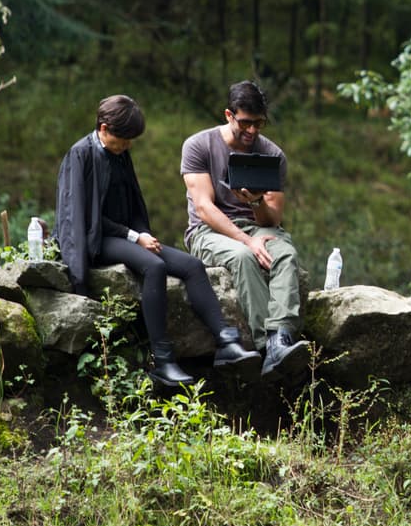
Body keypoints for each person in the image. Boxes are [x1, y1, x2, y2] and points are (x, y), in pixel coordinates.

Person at [55, 94, 261, 389]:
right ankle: (163, 362)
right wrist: (134, 236)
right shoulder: (80, 155)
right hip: (97, 239)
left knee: (191, 266)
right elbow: (85, 217)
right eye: (123, 139)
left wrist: (144, 234)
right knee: (154, 267)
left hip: (128, 235)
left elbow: (133, 206)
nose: (127, 145)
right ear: (103, 128)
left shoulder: (118, 153)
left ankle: (227, 342)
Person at [181, 81, 310, 382]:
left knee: (285, 254)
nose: (252, 131)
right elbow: (204, 208)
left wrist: (255, 202)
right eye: (245, 123)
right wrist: (247, 241)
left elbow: (273, 218)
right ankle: (266, 346)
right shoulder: (199, 146)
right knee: (243, 257)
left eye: (259, 124)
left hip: (258, 226)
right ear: (229, 115)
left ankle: (280, 338)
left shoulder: (272, 155)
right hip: (209, 231)